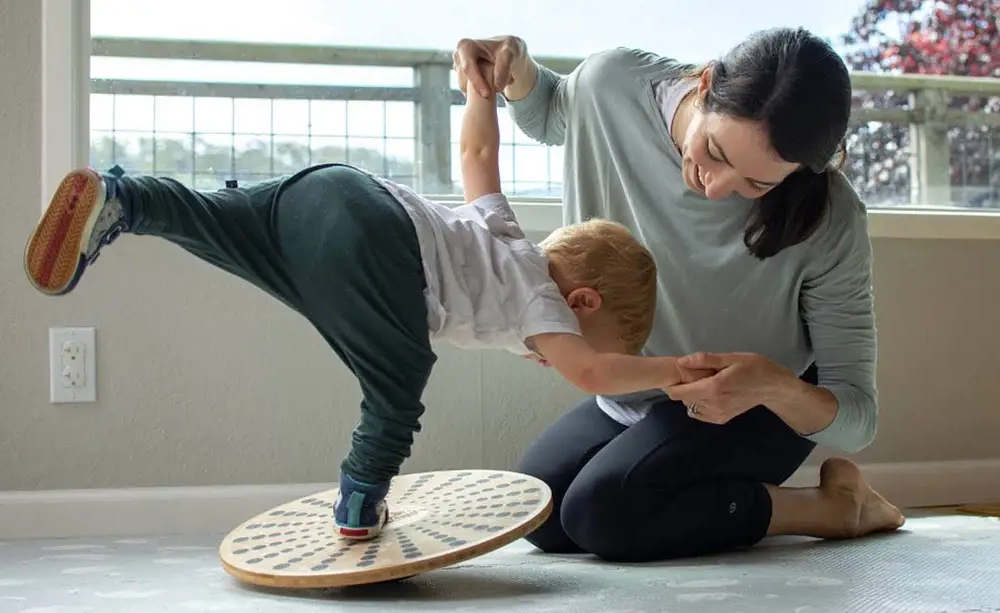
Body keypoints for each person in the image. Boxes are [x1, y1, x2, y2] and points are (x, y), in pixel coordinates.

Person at [23, 71, 705, 540]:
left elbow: (475, 152)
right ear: (580, 300)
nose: (561, 351)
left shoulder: (504, 235)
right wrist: (672, 371)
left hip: (330, 190)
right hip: (382, 246)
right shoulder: (543, 300)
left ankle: (127, 199)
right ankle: (360, 491)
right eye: (593, 336)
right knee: (399, 374)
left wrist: (478, 89)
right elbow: (591, 375)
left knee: (217, 224)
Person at [452, 26, 906, 562]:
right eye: (714, 150)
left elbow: (857, 418)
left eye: (757, 184)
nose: (714, 186)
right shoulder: (613, 83)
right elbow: (550, 109)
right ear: (707, 81)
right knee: (539, 513)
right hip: (644, 392)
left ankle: (831, 508)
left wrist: (775, 388)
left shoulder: (830, 216)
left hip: (749, 408)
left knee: (603, 513)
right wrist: (514, 68)